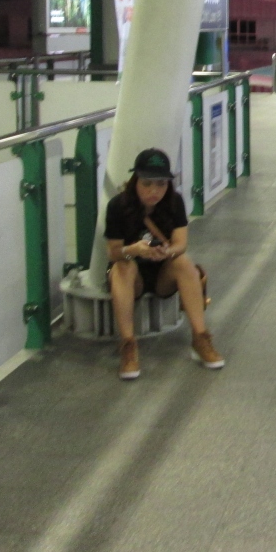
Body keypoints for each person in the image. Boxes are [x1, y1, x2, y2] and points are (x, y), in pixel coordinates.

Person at [106, 148, 224, 380]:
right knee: (123, 267)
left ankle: (200, 337)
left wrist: (166, 252)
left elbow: (181, 244)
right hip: (132, 274)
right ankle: (128, 345)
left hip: (162, 272)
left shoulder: (174, 202)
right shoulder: (118, 206)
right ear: (135, 181)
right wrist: (134, 250)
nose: (154, 191)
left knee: (184, 262)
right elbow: (113, 252)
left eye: (161, 184)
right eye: (147, 184)